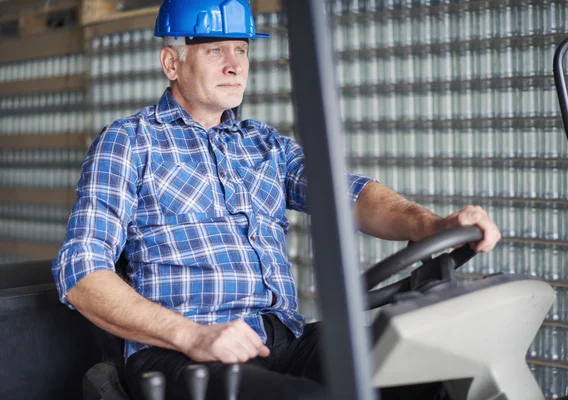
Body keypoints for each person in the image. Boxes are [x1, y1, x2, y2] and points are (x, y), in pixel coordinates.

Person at [52, 1, 501, 399]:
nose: (235, 65)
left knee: (427, 370)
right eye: (215, 50)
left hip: (282, 338)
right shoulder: (129, 142)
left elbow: (352, 196)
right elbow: (81, 273)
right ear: (172, 62)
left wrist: (431, 226)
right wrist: (192, 335)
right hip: (182, 354)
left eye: (241, 49)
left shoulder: (263, 144)